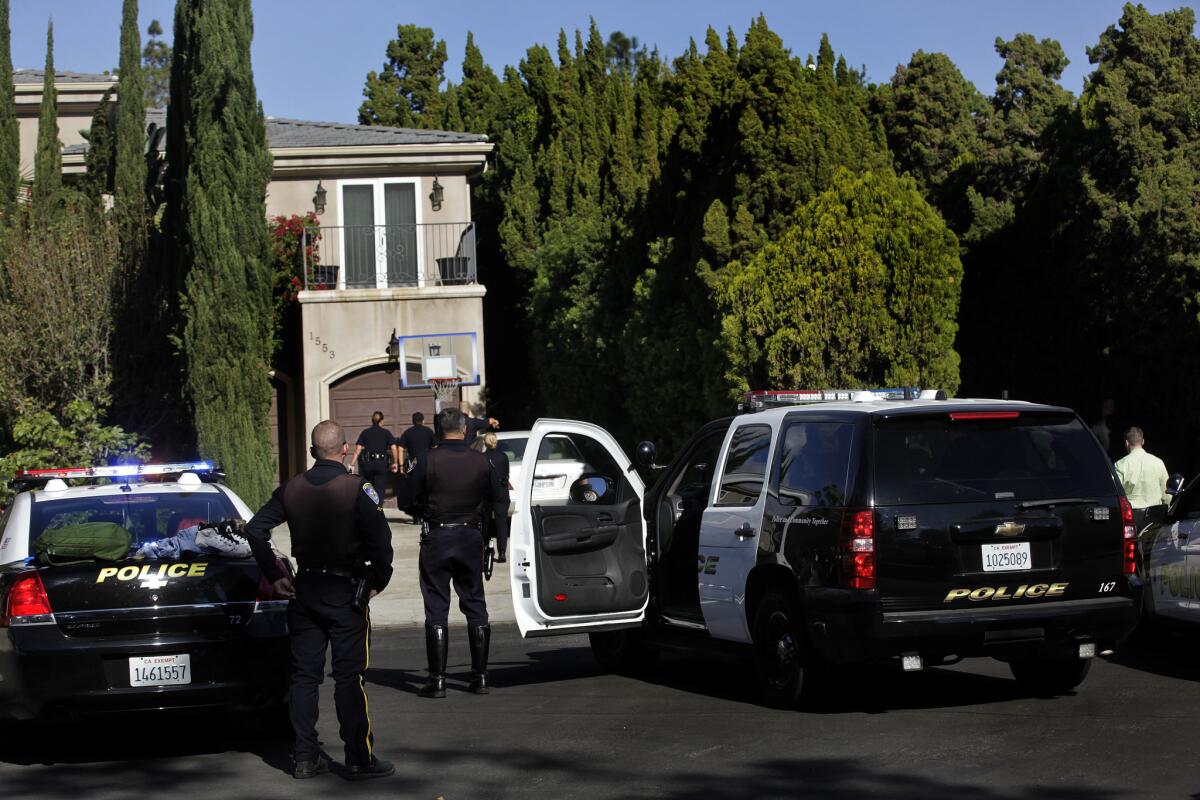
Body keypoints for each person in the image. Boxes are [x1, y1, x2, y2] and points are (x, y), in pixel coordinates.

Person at [244, 420, 395, 781]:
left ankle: (305, 757)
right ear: (345, 449)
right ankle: (359, 757)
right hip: (346, 593)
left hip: (305, 590)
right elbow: (381, 544)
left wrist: (276, 574)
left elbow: (254, 529)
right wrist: (377, 581)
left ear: (313, 452)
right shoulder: (358, 488)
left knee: (304, 677)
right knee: (349, 677)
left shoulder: (291, 488)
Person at [398, 407, 506, 698]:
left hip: (438, 535)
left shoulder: (425, 460)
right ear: (464, 430)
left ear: (437, 431)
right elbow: (499, 499)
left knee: (436, 605)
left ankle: (438, 681)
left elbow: (404, 500)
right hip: (470, 535)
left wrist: (423, 510)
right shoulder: (482, 461)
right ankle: (480, 677)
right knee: (474, 602)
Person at [1114, 426, 1170, 531]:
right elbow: (1167, 494)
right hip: (1156, 516)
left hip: (1132, 517)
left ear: (1126, 443)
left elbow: (1116, 494)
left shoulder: (1120, 465)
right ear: (1143, 441)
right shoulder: (1158, 462)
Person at [477, 431, 511, 562]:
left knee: (485, 522)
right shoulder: (503, 456)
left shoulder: (481, 458)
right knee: (501, 522)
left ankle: (485, 549)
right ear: (495, 443)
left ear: (485, 443)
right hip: (501, 493)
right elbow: (506, 474)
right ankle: (502, 552)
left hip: (486, 494)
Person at [352, 412, 396, 504]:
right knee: (379, 489)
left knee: (368, 488)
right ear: (381, 421)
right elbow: (393, 447)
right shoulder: (386, 433)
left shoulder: (365, 432)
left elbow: (358, 449)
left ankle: (369, 510)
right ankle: (378, 511)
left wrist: (352, 464)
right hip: (381, 465)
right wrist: (395, 462)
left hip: (368, 465)